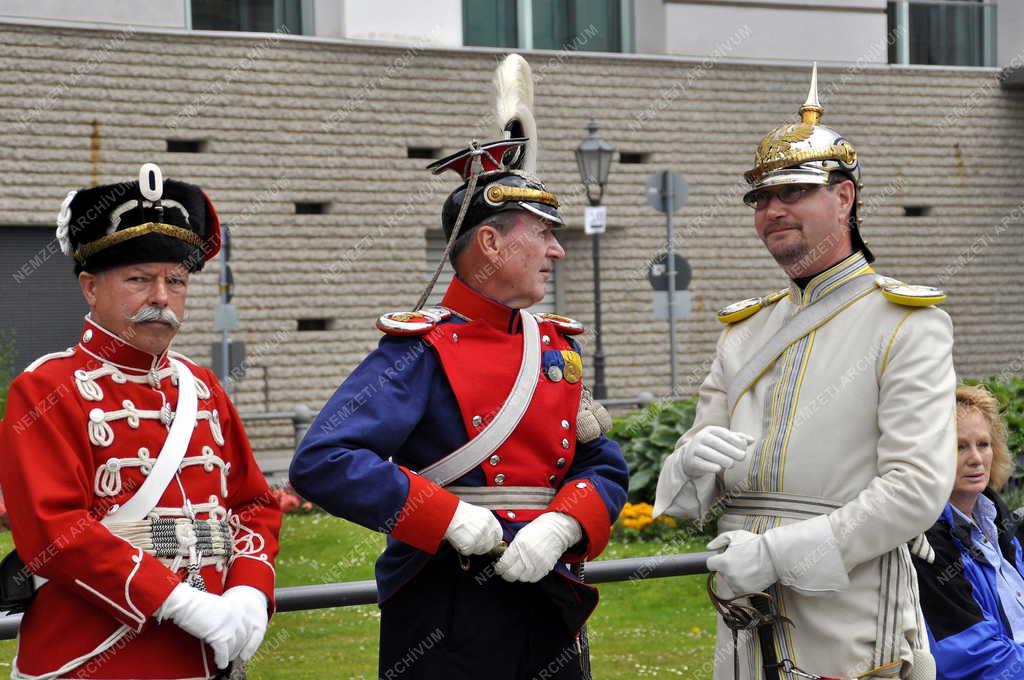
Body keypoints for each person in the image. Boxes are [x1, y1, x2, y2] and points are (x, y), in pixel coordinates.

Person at [290, 54, 628, 680]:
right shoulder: (419, 349)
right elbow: (324, 461)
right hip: (448, 602)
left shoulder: (554, 347)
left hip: (550, 588)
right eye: (543, 234)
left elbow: (602, 464)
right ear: (491, 243)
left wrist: (562, 523)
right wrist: (446, 517)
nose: (557, 249)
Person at [653, 64, 956, 679]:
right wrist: (685, 463)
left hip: (848, 603)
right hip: (740, 601)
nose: (771, 210)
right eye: (761, 198)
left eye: (791, 191)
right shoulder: (745, 330)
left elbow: (915, 490)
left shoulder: (905, 321)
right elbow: (690, 498)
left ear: (843, 197)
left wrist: (776, 555)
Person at [0, 164, 281, 679]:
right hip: (97, 658)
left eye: (175, 280)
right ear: (89, 288)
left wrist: (246, 590)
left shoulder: (202, 385)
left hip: (212, 656)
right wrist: (178, 601)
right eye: (139, 279)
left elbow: (254, 504)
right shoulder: (46, 388)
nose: (161, 297)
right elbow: (54, 532)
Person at [913, 384, 1024, 679]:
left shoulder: (1002, 529)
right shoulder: (926, 543)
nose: (976, 458)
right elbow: (976, 661)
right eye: (959, 446)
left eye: (983, 444)